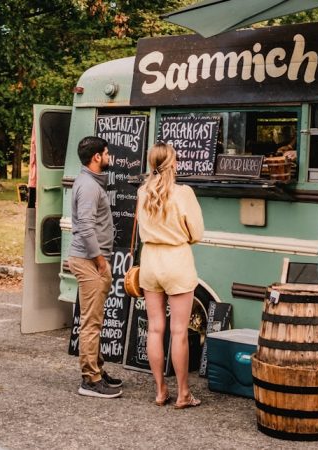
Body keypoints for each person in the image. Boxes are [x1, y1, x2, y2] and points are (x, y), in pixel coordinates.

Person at [137, 142, 204, 408]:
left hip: (150, 261)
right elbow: (197, 232)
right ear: (173, 163)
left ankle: (160, 390)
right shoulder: (184, 193)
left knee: (155, 328)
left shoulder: (143, 192)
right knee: (178, 332)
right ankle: (183, 393)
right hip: (177, 260)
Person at [69, 136, 123, 399]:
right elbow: (86, 226)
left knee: (95, 319)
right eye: (106, 152)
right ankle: (90, 379)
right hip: (89, 260)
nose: (109, 155)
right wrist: (100, 260)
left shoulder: (89, 182)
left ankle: (97, 369)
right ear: (97, 158)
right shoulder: (89, 186)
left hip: (89, 259)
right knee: (92, 322)